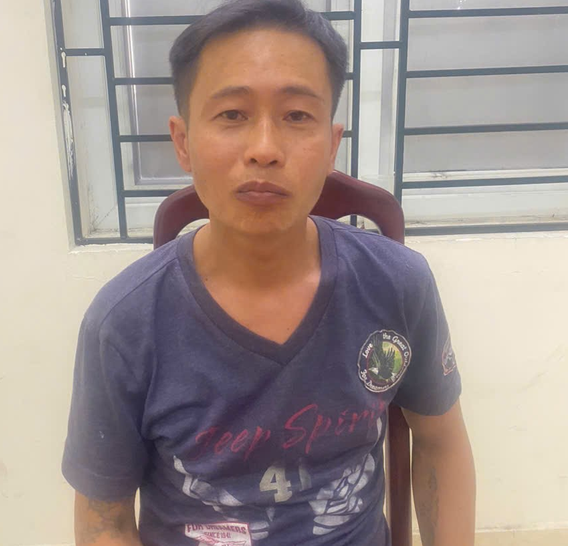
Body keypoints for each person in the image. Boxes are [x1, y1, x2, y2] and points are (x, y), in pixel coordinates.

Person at [61, 1, 476, 545]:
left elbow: (441, 442)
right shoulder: (124, 322)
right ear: (183, 142)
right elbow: (104, 521)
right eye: (232, 114)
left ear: (332, 144)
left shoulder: (397, 283)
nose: (264, 149)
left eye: (297, 116)